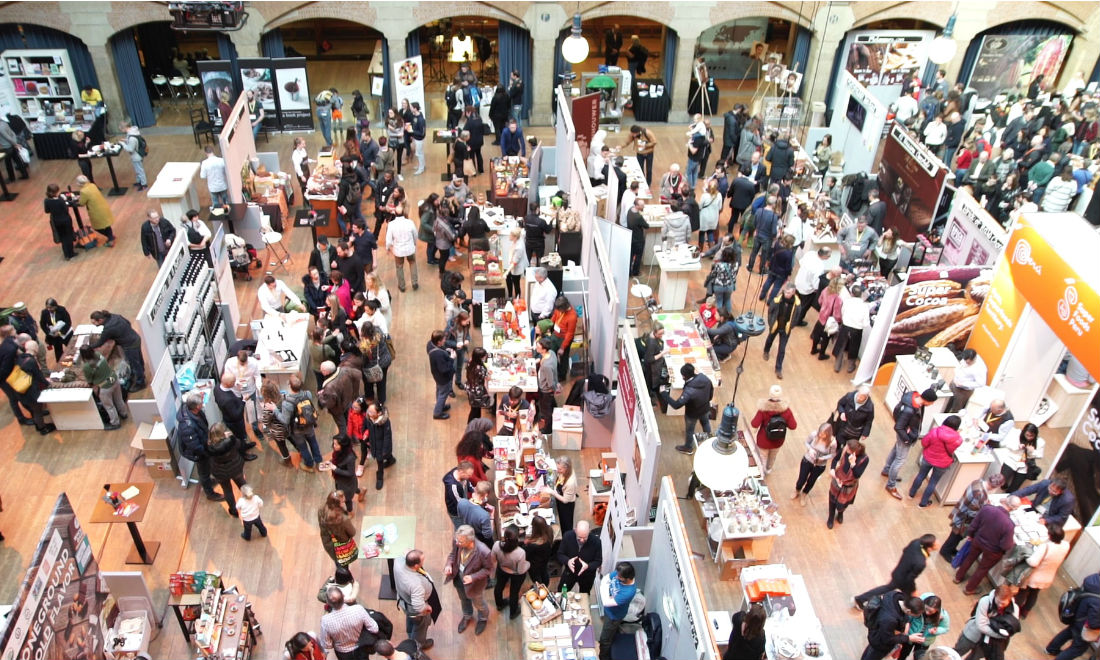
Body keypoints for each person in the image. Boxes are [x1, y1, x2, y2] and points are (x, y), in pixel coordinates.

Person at [954, 496, 1019, 595]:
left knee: (969, 558)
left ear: (1005, 500)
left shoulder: (987, 508)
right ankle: (969, 589)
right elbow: (1005, 546)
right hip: (992, 551)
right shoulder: (1009, 525)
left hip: (978, 540)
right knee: (982, 569)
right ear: (1014, 508)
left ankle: (958, 577)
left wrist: (971, 535)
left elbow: (974, 525)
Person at [854, 534, 937, 609]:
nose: (938, 543)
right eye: (935, 543)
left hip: (898, 572)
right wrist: (913, 590)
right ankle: (860, 599)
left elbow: (905, 550)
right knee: (910, 598)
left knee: (888, 589)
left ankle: (860, 599)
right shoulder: (921, 563)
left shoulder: (916, 542)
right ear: (929, 548)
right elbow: (910, 579)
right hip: (903, 580)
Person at [883, 388, 938, 500]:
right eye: (931, 402)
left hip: (904, 434)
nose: (931, 405)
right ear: (927, 401)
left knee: (896, 450)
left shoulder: (913, 398)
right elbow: (898, 427)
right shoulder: (910, 409)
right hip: (905, 436)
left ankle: (887, 470)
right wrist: (907, 439)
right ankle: (891, 485)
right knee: (900, 460)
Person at [939, 474, 1006, 562]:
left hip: (962, 511)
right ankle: (945, 551)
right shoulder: (980, 493)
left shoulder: (978, 482)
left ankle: (951, 549)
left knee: (957, 537)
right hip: (963, 519)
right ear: (995, 486)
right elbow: (972, 512)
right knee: (955, 536)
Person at [444, 525, 494, 636]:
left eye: (460, 541)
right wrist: (449, 565)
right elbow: (452, 555)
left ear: (470, 541)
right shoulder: (457, 542)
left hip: (475, 585)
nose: (457, 543)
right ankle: (467, 615)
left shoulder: (483, 552)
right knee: (464, 600)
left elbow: (489, 569)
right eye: (456, 539)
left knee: (479, 603)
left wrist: (473, 577)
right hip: (459, 579)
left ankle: (483, 618)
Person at [1015, 522, 1071, 619]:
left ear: (1050, 535)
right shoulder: (1066, 545)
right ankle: (1025, 612)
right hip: (1048, 576)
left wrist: (1026, 555)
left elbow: (1033, 562)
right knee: (1034, 594)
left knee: (1022, 593)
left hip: (1034, 576)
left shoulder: (1046, 547)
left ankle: (1015, 610)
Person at [909, 415, 964, 507]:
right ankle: (923, 503)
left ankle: (911, 494)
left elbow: (924, 443)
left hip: (928, 457)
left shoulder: (935, 431)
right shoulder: (958, 439)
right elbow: (955, 446)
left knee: (921, 475)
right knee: (933, 482)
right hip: (943, 463)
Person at [953, 585, 1019, 660]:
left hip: (989, 642)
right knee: (956, 652)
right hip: (973, 633)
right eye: (998, 602)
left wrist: (989, 623)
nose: (1000, 605)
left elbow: (1012, 628)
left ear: (1009, 599)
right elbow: (981, 625)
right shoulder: (985, 601)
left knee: (974, 658)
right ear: (995, 595)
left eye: (1003, 603)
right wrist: (1000, 634)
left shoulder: (1014, 609)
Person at [88, 309, 145, 389]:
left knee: (135, 364)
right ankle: (141, 374)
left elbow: (100, 343)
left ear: (100, 320)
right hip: (135, 338)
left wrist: (88, 347)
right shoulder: (115, 316)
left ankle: (140, 383)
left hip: (129, 345)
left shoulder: (108, 329)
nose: (94, 324)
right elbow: (128, 323)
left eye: (94, 323)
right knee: (139, 360)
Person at [395, 549, 438, 652]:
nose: (424, 561)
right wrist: (427, 607)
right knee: (420, 626)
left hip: (404, 602)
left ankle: (410, 635)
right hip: (415, 609)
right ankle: (418, 645)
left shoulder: (398, 562)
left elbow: (401, 554)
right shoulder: (415, 584)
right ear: (416, 566)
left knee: (411, 620)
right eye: (422, 560)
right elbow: (418, 606)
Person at [863, 592, 927, 660]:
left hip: (877, 630)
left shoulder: (895, 595)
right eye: (912, 615)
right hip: (879, 642)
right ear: (908, 611)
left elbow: (904, 614)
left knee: (869, 651)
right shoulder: (890, 620)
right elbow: (887, 639)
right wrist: (909, 638)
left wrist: (906, 622)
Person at [319, 587, 378, 660]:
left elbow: (327, 645)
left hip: (343, 654)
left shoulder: (325, 621)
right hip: (362, 647)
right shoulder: (358, 610)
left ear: (327, 602)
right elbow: (374, 628)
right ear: (343, 596)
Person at [751, 384, 797, 473]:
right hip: (778, 440)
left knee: (762, 458)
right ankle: (768, 469)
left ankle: (761, 472)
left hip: (763, 440)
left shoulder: (763, 409)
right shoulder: (786, 411)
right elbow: (793, 426)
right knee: (772, 457)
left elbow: (754, 423)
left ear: (770, 394)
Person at [79, 345, 127, 430]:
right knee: (119, 399)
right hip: (113, 378)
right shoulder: (98, 354)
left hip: (104, 386)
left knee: (109, 406)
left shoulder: (87, 366)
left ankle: (115, 423)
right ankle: (124, 413)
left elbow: (90, 381)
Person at [282, 375, 323, 472]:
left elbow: (285, 420)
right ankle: (319, 461)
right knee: (313, 442)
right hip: (309, 424)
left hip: (297, 430)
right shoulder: (307, 394)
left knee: (303, 447)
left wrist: (275, 410)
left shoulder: (287, 402)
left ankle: (309, 465)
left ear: (290, 386)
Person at [597, 561, 638, 660]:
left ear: (627, 578)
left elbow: (606, 602)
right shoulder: (620, 572)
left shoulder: (629, 592)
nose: (616, 577)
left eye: (619, 577)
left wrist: (603, 587)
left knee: (604, 640)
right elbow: (606, 578)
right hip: (609, 611)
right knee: (610, 633)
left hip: (614, 616)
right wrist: (604, 586)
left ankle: (603, 657)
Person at [206, 422, 248, 517]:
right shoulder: (231, 441)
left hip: (220, 472)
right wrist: (231, 436)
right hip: (235, 467)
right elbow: (239, 445)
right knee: (242, 484)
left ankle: (233, 511)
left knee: (227, 490)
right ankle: (250, 501)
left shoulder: (210, 447)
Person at [12, 341, 53, 435]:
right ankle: (43, 428)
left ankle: (38, 425)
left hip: (20, 390)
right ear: (35, 349)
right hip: (30, 391)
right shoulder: (31, 361)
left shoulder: (20, 358)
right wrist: (48, 384)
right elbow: (38, 375)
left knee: (34, 410)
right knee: (37, 410)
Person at [827, 438, 868, 529]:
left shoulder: (864, 459)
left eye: (848, 449)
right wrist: (832, 469)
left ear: (854, 451)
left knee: (843, 503)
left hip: (849, 486)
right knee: (832, 499)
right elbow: (835, 460)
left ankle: (840, 512)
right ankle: (831, 517)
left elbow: (857, 475)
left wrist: (853, 464)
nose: (845, 449)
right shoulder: (844, 450)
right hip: (837, 480)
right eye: (846, 446)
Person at [793, 422, 837, 506]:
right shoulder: (814, 434)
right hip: (807, 460)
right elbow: (806, 442)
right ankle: (797, 490)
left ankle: (804, 494)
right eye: (820, 433)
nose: (820, 435)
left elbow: (833, 454)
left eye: (823, 434)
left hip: (819, 466)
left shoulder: (832, 442)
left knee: (811, 481)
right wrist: (810, 449)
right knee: (801, 479)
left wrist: (823, 458)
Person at [492, 525, 529, 620]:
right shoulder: (520, 552)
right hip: (516, 574)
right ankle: (513, 612)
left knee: (499, 586)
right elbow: (521, 570)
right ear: (517, 538)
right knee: (514, 592)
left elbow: (493, 559)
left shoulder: (496, 545)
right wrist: (528, 564)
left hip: (502, 569)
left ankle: (499, 605)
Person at [762, 283, 798, 379]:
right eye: (785, 291)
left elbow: (796, 316)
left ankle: (778, 369)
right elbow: (770, 311)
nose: (786, 294)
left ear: (793, 293)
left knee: (782, 349)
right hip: (776, 325)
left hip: (786, 329)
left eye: (789, 292)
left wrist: (791, 326)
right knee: (770, 339)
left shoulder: (797, 304)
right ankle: (766, 351)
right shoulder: (777, 300)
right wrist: (771, 322)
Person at [832, 284, 870, 374]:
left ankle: (837, 366)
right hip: (857, 330)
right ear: (861, 294)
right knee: (854, 348)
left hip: (845, 327)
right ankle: (850, 366)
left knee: (841, 346)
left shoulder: (847, 302)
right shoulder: (865, 306)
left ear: (852, 293)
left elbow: (842, 312)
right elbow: (866, 323)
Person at [318, 358, 361, 436]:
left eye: (322, 370)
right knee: (350, 421)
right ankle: (355, 438)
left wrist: (320, 395)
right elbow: (358, 374)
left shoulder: (329, 387)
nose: (321, 371)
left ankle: (345, 440)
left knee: (342, 426)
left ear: (327, 372)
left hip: (338, 409)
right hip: (348, 401)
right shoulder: (344, 370)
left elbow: (328, 403)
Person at [558, 520, 602, 593]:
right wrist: (567, 561)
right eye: (579, 537)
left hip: (587, 575)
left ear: (589, 532)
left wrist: (588, 566)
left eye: (585, 538)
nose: (582, 540)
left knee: (584, 594)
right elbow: (560, 554)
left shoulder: (596, 541)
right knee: (562, 592)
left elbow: (598, 561)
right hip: (570, 572)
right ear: (575, 530)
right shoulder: (567, 536)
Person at [999, 422, 1044, 492]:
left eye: (1031, 436)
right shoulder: (1016, 433)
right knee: (1001, 480)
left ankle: (1008, 495)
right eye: (1027, 435)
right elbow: (1005, 444)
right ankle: (1004, 486)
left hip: (1024, 466)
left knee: (1015, 487)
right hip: (1011, 461)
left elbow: (1040, 455)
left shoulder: (1040, 442)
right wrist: (1017, 446)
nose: (1029, 438)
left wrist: (1032, 451)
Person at [792, 247, 830, 327]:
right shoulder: (820, 267)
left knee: (796, 301)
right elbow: (815, 283)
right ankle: (797, 320)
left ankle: (792, 315)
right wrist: (816, 289)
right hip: (807, 289)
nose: (829, 257)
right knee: (803, 306)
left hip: (799, 281)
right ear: (824, 256)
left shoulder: (810, 253)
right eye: (829, 256)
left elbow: (801, 262)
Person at [539, 456, 578, 533]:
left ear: (566, 468)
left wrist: (552, 492)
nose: (558, 470)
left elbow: (565, 500)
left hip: (566, 506)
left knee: (566, 525)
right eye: (557, 468)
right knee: (561, 519)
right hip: (560, 497)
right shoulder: (564, 472)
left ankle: (567, 539)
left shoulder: (570, 483)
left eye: (560, 469)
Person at [75, 175, 115, 247]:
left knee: (97, 227)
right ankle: (110, 236)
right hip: (103, 207)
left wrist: (79, 199)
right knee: (106, 224)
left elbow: (82, 203)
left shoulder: (83, 191)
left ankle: (110, 238)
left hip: (96, 211)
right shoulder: (92, 185)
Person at [745, 196, 779, 274]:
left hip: (758, 235)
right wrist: (774, 236)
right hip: (767, 238)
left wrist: (757, 230)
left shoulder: (759, 211)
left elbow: (754, 223)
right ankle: (762, 270)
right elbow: (774, 231)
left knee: (754, 252)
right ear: (774, 204)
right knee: (764, 255)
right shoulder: (774, 216)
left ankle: (750, 266)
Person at [44, 184, 78, 261]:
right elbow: (66, 210)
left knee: (63, 238)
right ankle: (71, 253)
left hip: (56, 221)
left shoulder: (47, 201)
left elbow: (47, 211)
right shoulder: (60, 200)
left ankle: (66, 254)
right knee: (68, 236)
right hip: (66, 220)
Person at [551, 296, 578, 381]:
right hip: (555, 335)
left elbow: (570, 333)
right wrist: (549, 324)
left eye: (559, 310)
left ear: (564, 307)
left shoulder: (572, 316)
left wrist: (563, 347)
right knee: (551, 353)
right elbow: (554, 317)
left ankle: (562, 376)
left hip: (564, 339)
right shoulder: (558, 309)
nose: (558, 311)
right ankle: (554, 370)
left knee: (563, 358)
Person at [536, 337, 559, 433]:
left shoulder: (546, 366)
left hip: (546, 390)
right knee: (551, 404)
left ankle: (547, 429)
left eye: (538, 347)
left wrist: (552, 389)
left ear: (544, 349)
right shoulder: (552, 353)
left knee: (546, 410)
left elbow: (550, 383)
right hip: (548, 388)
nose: (536, 348)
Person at [39, 298, 72, 363]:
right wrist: (49, 333)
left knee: (71, 348)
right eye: (47, 308)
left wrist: (60, 332)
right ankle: (60, 365)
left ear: (55, 306)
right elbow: (42, 324)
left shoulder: (62, 310)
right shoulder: (44, 312)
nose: (49, 309)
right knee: (58, 352)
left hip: (65, 333)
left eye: (51, 308)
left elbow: (68, 322)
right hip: (54, 336)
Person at [120, 124, 147, 191]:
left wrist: (123, 144)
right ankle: (139, 182)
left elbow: (130, 149)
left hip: (136, 156)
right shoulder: (134, 132)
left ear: (124, 128)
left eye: (121, 130)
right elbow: (133, 141)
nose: (121, 131)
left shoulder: (132, 137)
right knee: (137, 169)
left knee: (139, 170)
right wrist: (126, 140)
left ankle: (144, 185)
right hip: (139, 153)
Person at [626, 198, 649, 276]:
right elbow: (646, 226)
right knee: (638, 257)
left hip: (630, 237)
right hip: (638, 240)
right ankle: (635, 272)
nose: (643, 207)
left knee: (631, 256)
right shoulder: (638, 217)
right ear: (637, 206)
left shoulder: (630, 211)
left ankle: (628, 273)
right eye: (642, 205)